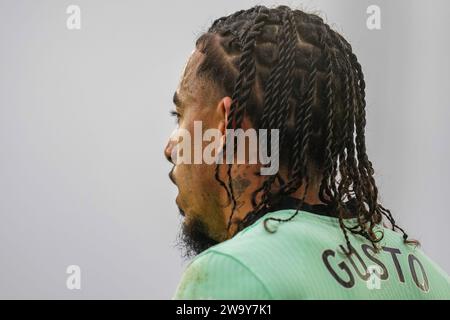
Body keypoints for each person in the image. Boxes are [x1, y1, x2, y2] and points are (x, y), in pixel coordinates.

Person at [164, 5, 450, 299]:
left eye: (180, 114)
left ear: (229, 123)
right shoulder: (432, 280)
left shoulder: (230, 272)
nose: (170, 148)